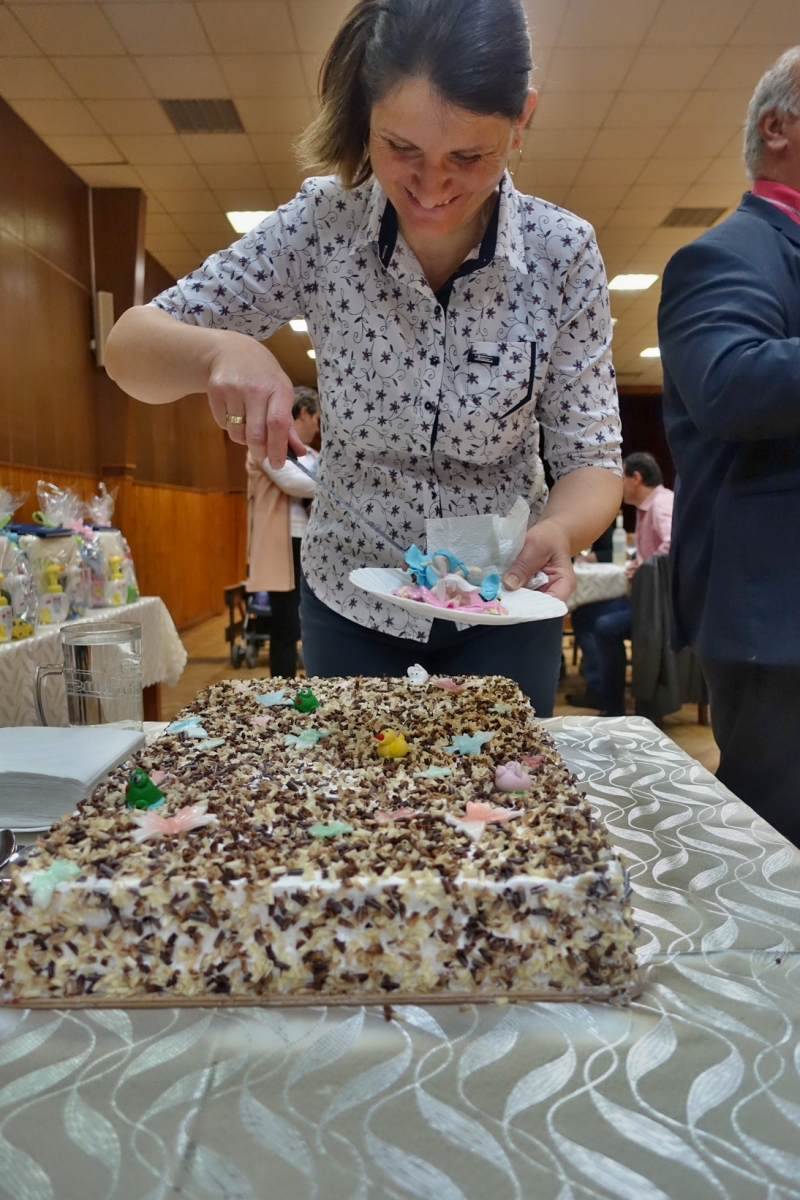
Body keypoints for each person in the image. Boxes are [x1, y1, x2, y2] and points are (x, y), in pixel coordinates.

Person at [104, 0, 623, 718]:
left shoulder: (562, 252)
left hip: (504, 600)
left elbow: (592, 457)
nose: (432, 190)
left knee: (505, 788)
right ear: (366, 115)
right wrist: (217, 348)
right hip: (353, 603)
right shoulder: (326, 223)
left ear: (520, 120)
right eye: (401, 148)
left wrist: (561, 530)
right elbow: (128, 347)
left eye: (468, 157)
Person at [658, 47, 800, 847]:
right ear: (777, 128)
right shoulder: (727, 252)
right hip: (779, 622)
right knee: (780, 864)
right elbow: (730, 383)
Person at [570, 453, 673, 715]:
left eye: (621, 478)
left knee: (605, 627)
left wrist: (645, 564)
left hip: (660, 607)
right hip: (648, 600)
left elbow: (672, 546)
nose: (619, 486)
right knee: (584, 615)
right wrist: (640, 561)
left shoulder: (661, 504)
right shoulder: (650, 505)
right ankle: (598, 690)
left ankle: (613, 707)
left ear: (635, 478)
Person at [246, 387, 319, 677]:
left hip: (309, 542)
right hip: (282, 544)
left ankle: (308, 685)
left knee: (309, 623)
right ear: (304, 412)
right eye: (317, 419)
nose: (318, 427)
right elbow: (295, 483)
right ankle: (282, 689)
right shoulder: (264, 444)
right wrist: (330, 488)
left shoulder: (311, 454)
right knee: (286, 625)